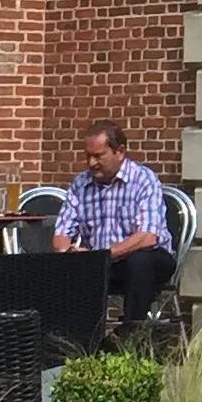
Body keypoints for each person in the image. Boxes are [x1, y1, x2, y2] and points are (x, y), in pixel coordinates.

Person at [52, 120, 175, 341]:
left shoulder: (143, 179)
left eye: (98, 156)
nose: (91, 163)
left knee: (140, 261)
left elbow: (147, 236)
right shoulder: (80, 184)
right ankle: (76, 343)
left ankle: (131, 335)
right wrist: (67, 252)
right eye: (87, 156)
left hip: (149, 260)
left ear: (120, 152)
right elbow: (62, 232)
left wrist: (102, 256)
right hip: (101, 264)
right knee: (63, 268)